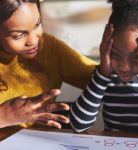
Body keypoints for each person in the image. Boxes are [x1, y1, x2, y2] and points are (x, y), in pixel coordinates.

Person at [0, 0, 97, 128]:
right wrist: (5, 116)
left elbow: (100, 77)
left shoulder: (48, 47)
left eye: (37, 24)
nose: (34, 40)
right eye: (18, 35)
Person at [69, 0, 138, 133]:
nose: (124, 67)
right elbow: (78, 125)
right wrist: (102, 74)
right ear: (105, 47)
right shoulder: (105, 76)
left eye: (136, 58)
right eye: (115, 54)